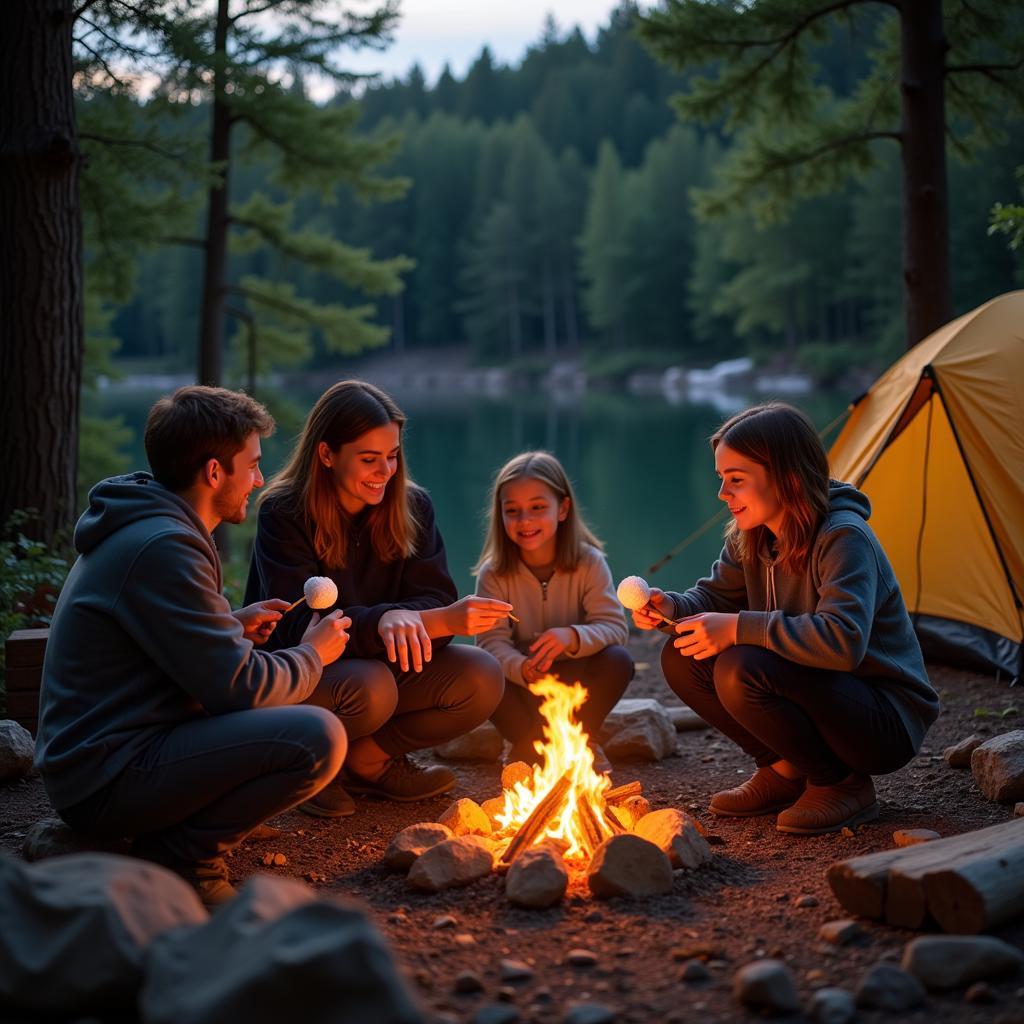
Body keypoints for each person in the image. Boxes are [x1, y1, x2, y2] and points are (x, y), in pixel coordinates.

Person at [36, 386, 352, 906]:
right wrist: (313, 653)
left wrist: (229, 623)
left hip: (113, 753)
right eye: (250, 466)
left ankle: (191, 832)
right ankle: (184, 859)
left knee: (297, 704)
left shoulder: (152, 525)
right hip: (105, 776)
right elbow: (240, 689)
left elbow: (155, 646)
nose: (257, 479)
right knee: (316, 737)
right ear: (212, 472)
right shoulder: (163, 545)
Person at [631, 402, 939, 834]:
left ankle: (842, 784)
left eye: (736, 480)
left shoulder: (843, 537)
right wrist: (674, 607)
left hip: (882, 719)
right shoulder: (752, 536)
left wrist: (739, 627)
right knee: (682, 655)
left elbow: (842, 642)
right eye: (722, 479)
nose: (723, 493)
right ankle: (784, 771)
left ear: (787, 478)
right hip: (820, 692)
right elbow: (715, 596)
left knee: (742, 666)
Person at [246, 380, 508, 818]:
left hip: (380, 670)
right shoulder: (284, 512)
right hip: (306, 679)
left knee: (482, 675)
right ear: (327, 455)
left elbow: (434, 597)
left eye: (392, 456)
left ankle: (366, 760)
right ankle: (310, 766)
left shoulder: (413, 507)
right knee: (371, 686)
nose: (385, 471)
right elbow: (294, 626)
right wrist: (388, 620)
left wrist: (419, 619)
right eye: (369, 459)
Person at [474, 451, 633, 770]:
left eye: (537, 508)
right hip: (525, 683)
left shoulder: (589, 562)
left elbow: (615, 626)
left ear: (562, 509)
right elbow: (490, 642)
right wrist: (520, 667)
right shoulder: (493, 573)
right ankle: (533, 744)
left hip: (576, 677)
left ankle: (568, 741)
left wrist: (572, 636)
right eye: (512, 511)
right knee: (482, 674)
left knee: (618, 661)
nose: (525, 521)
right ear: (500, 515)